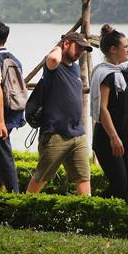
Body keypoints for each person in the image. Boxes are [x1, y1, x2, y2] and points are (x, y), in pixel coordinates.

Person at [27, 32, 93, 195]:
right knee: (41, 177)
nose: (80, 53)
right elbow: (53, 59)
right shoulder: (53, 67)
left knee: (84, 177)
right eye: (77, 47)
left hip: (77, 134)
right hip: (55, 133)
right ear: (66, 44)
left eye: (83, 49)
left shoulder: (76, 69)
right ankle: (22, 209)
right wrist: (58, 46)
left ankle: (88, 214)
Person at [89, 24, 128, 201]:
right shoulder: (105, 74)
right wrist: (114, 137)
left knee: (126, 186)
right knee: (119, 184)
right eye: (125, 47)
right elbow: (102, 108)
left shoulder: (127, 72)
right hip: (107, 138)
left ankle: (120, 224)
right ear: (113, 50)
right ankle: (90, 209)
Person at [0, 21, 25, 192]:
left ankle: (16, 197)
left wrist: (0, 120)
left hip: (1, 117)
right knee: (0, 153)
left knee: (5, 155)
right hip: (15, 113)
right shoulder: (15, 59)